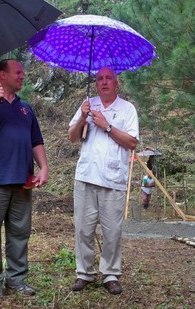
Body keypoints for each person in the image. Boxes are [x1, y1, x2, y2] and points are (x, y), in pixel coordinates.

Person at [0, 59, 49, 298]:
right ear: (2, 75)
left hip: (22, 181)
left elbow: (36, 141)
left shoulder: (26, 109)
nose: (23, 76)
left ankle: (16, 279)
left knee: (20, 233)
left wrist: (43, 167)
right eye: (18, 73)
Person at [68, 66, 139, 295]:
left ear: (116, 82)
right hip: (86, 176)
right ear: (96, 83)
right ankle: (84, 273)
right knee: (83, 230)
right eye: (99, 79)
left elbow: (131, 142)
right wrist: (82, 117)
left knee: (112, 232)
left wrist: (106, 125)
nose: (104, 82)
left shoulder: (127, 109)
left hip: (113, 178)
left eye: (109, 78)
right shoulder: (88, 104)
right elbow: (72, 137)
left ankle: (110, 274)